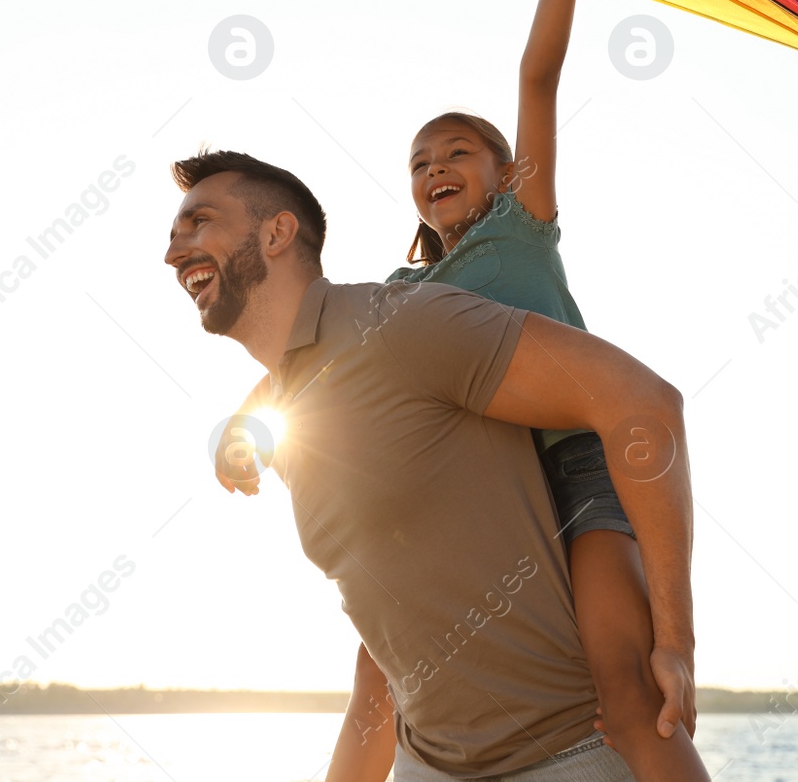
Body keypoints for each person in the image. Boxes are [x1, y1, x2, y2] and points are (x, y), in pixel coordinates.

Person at [215, 0, 712, 781]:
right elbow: (307, 359)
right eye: (419, 160)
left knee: (622, 682)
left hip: (571, 465)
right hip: (471, 496)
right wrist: (244, 426)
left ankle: (675, 656)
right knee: (380, 685)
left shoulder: (524, 225)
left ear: (502, 171)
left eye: (459, 151)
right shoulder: (403, 299)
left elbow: (538, 74)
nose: (437, 166)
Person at [165, 150, 707, 780]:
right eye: (174, 233)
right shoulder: (291, 421)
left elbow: (644, 406)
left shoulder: (399, 324)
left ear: (278, 233)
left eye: (198, 222)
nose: (174, 252)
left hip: (571, 756)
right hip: (426, 765)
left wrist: (674, 640)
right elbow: (379, 669)